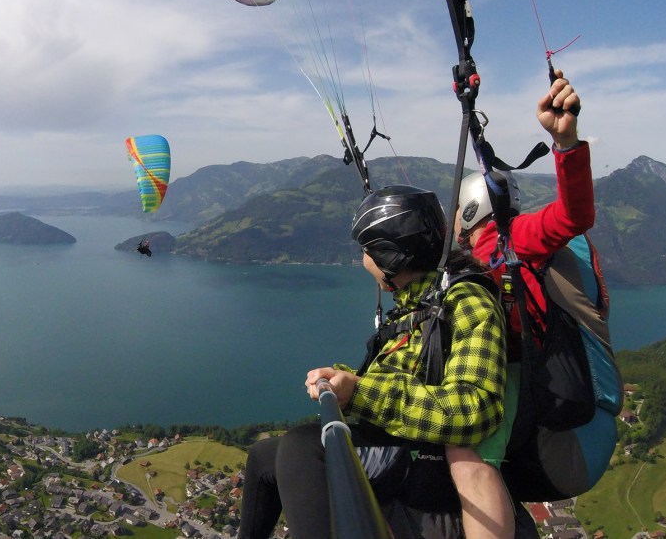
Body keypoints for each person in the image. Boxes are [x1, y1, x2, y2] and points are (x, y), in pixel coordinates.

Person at [238, 185, 507, 539]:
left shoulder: (464, 300)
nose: (363, 261)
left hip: (423, 459)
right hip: (402, 443)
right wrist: (346, 381)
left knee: (304, 449)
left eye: (368, 251)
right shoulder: (421, 304)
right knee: (262, 457)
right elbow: (408, 374)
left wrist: (362, 393)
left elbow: (477, 408)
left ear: (391, 256)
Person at [449, 69, 591, 538]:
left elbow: (573, 215)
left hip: (507, 372)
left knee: (470, 458)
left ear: (471, 210)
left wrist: (566, 145)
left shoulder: (514, 239)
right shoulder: (468, 257)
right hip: (494, 367)